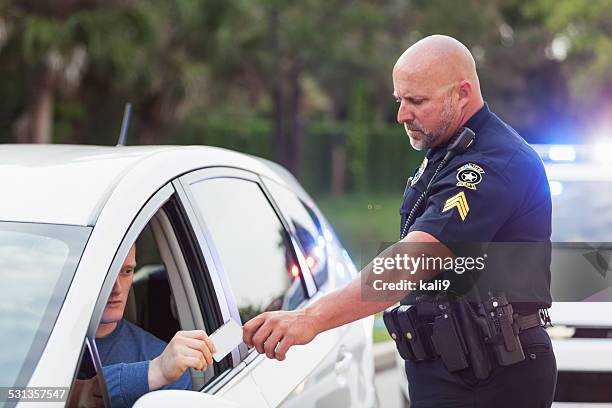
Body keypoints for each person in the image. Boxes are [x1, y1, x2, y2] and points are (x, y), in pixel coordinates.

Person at [243, 35, 557, 407]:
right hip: (451, 362)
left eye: (416, 101)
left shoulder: (491, 163)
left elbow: (416, 259)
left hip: (492, 372)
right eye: (400, 100)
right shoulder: (448, 148)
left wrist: (311, 317)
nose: (402, 114)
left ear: (462, 93)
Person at [70, 244, 216, 408]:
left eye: (127, 271)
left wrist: (158, 370)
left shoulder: (166, 361)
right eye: (105, 272)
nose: (116, 288)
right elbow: (37, 394)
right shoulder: (43, 339)